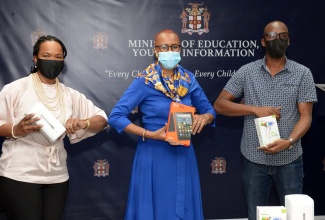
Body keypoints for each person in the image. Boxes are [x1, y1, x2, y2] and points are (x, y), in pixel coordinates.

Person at [213, 21, 317, 220]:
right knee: (256, 216)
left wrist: (289, 142)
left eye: (282, 36)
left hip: (290, 159)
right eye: (271, 35)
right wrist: (254, 109)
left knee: (295, 216)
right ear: (263, 41)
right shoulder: (247, 71)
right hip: (254, 160)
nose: (277, 39)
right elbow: (220, 104)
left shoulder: (303, 73)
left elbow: (306, 116)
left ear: (289, 40)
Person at [108, 29, 216, 220]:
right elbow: (116, 116)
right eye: (164, 47)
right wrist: (149, 134)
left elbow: (210, 110)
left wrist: (204, 118)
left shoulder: (188, 79)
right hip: (154, 153)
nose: (170, 51)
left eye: (175, 47)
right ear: (156, 50)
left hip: (184, 153)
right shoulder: (145, 81)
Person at [0, 35, 108, 220]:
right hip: (20, 173)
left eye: (58, 57)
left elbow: (103, 120)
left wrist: (84, 123)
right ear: (35, 58)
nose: (53, 61)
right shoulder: (16, 89)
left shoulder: (69, 94)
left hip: (57, 176)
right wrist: (15, 130)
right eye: (47, 56)